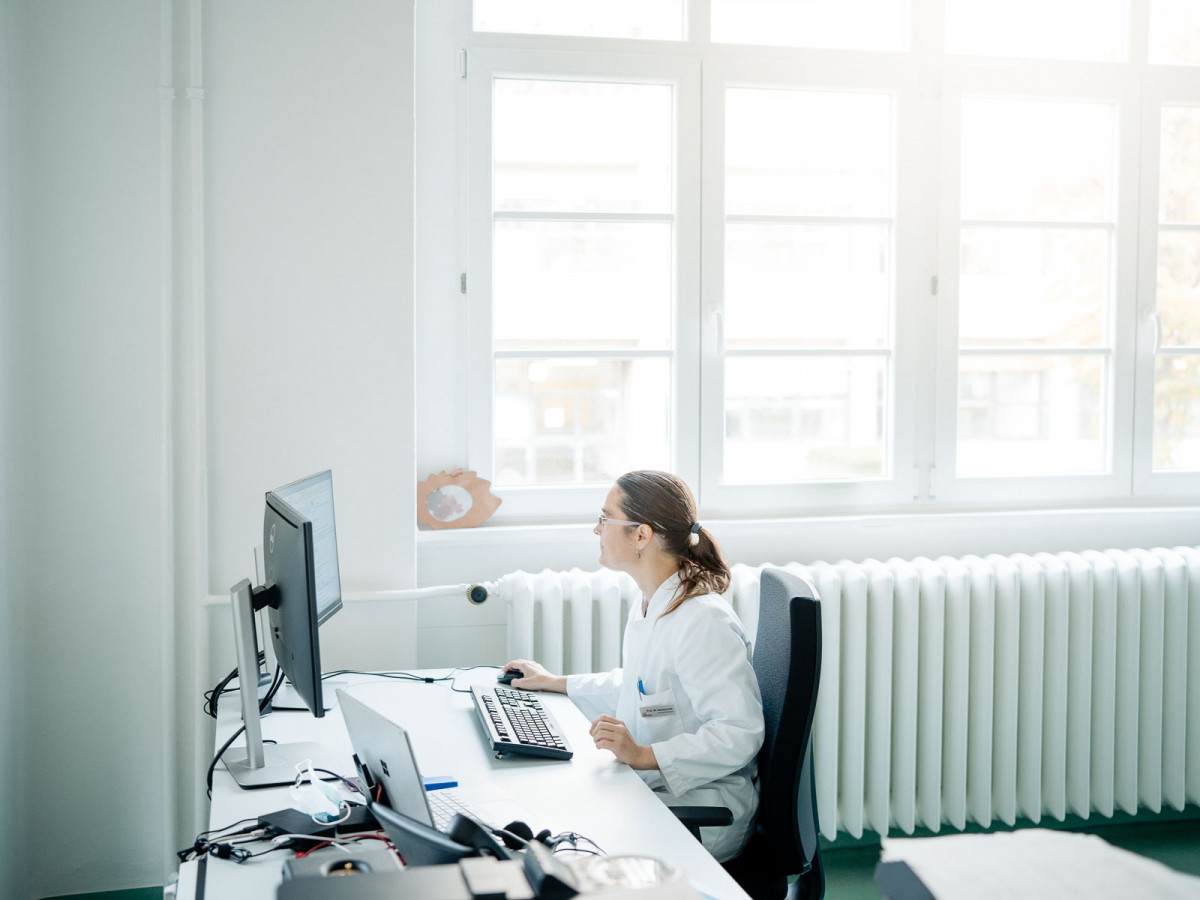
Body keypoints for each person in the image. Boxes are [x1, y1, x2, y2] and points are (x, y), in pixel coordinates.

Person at [504, 470, 764, 863]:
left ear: (641, 535)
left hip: (704, 810)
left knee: (566, 852)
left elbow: (739, 733)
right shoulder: (650, 600)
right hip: (660, 789)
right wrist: (554, 682)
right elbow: (640, 688)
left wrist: (644, 755)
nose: (596, 530)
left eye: (605, 519)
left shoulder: (702, 620)